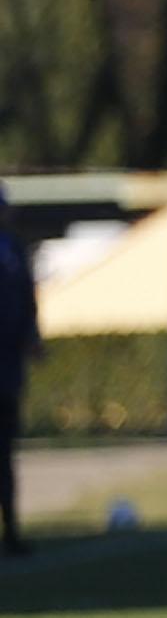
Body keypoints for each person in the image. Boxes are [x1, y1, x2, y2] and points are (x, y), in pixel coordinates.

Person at [1, 185, 36, 558]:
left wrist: (32, 336)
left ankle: (11, 529)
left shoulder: (13, 250)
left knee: (6, 455)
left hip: (8, 369)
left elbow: (27, 300)